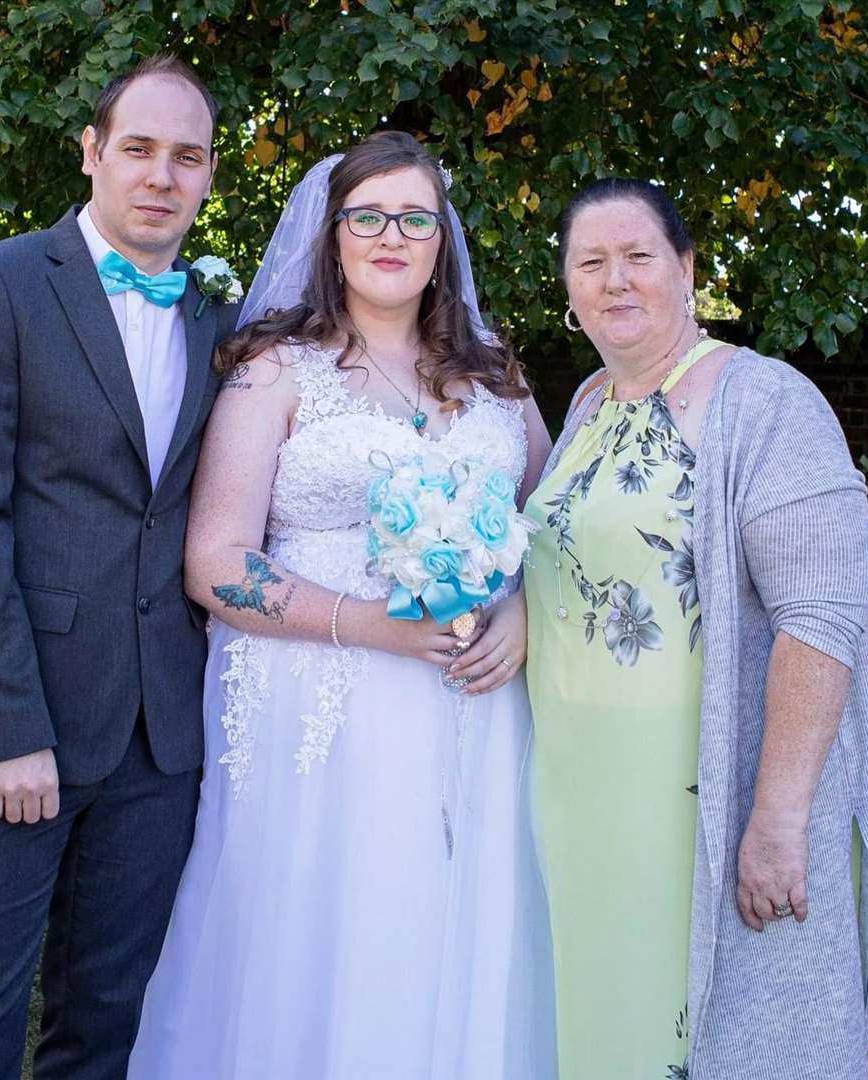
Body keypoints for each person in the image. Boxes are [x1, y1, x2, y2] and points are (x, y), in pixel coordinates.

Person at [128, 132, 557, 1079]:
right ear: (332, 235)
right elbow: (214, 561)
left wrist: (522, 608)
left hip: (476, 703)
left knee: (455, 918)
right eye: (368, 217)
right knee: (323, 925)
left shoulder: (495, 374)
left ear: (442, 240)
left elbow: (555, 523)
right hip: (313, 703)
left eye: (416, 218)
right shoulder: (276, 370)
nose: (391, 236)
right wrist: (371, 626)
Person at [0, 55, 240, 1079]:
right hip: (16, 726)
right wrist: (8, 731)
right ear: (92, 153)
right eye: (137, 148)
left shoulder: (220, 314)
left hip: (157, 741)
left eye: (186, 157)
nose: (160, 176)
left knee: (106, 1024)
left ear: (210, 175)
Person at [522, 178, 868, 1078]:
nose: (615, 281)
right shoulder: (585, 408)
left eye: (638, 257)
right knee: (608, 1015)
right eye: (590, 262)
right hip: (582, 798)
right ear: (566, 288)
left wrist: (777, 817)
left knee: (727, 1035)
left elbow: (822, 615)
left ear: (686, 269)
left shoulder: (768, 403)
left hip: (701, 796)